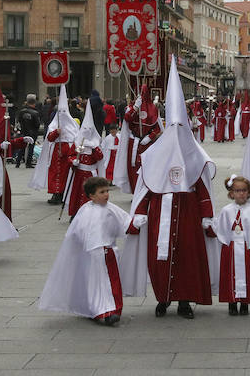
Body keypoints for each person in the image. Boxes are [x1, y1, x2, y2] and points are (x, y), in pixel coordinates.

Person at [121, 56, 218, 320]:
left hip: (188, 214)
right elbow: (146, 186)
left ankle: (185, 301)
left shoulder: (195, 156)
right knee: (160, 257)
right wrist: (139, 212)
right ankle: (163, 298)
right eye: (171, 127)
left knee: (187, 258)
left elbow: (202, 189)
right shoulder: (154, 155)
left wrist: (207, 216)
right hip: (159, 214)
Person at [39, 176, 131, 325]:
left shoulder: (110, 208)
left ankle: (110, 311)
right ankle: (96, 309)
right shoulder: (84, 210)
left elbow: (125, 222)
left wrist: (137, 223)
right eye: (102, 192)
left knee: (109, 283)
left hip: (107, 252)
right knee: (93, 283)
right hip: (90, 254)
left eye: (107, 191)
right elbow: (75, 231)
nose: (106, 194)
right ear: (91, 196)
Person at [214, 175, 250, 316]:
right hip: (231, 249)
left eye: (244, 190)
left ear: (249, 192)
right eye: (237, 190)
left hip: (248, 248)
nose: (241, 193)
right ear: (231, 193)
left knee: (248, 274)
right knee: (230, 275)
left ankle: (245, 303)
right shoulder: (226, 211)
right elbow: (220, 229)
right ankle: (232, 303)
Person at [0, 77, 33, 220]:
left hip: (0, 166)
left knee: (5, 193)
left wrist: (22, 140)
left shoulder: (3, 124)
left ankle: (5, 220)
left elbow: (8, 143)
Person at [29, 85, 79, 205]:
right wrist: (57, 132)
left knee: (65, 174)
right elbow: (49, 138)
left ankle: (63, 194)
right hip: (56, 153)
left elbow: (76, 139)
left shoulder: (73, 125)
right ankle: (55, 194)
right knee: (55, 174)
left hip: (67, 153)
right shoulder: (54, 124)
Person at [112, 86, 162, 194]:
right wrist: (135, 108)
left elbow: (158, 127)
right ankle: (135, 191)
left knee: (147, 167)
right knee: (133, 167)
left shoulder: (153, 108)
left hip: (147, 143)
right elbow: (127, 119)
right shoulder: (132, 107)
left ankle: (147, 191)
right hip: (134, 141)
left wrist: (150, 137)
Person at [64, 102, 104, 218]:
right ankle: (75, 214)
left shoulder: (95, 144)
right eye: (85, 128)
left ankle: (91, 214)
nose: (86, 131)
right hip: (79, 174)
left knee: (90, 194)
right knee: (77, 193)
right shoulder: (77, 142)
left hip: (91, 174)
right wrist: (73, 161)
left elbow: (100, 158)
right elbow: (70, 155)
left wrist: (93, 147)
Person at [15, 96, 41, 168]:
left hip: (23, 131)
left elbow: (19, 120)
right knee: (31, 147)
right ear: (34, 103)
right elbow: (37, 123)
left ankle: (18, 162)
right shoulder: (35, 113)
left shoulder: (22, 111)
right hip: (32, 132)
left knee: (22, 147)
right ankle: (28, 163)